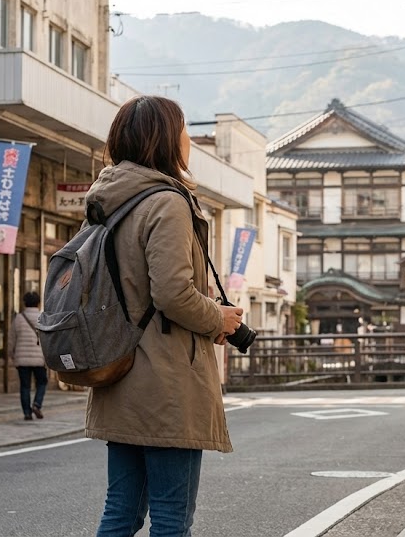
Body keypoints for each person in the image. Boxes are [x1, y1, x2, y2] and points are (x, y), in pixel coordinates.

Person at [84, 95, 244, 537]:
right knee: (172, 518)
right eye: (184, 129)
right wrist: (219, 319)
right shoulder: (166, 202)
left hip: (120, 372)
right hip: (167, 382)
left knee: (121, 512)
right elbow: (173, 293)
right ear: (165, 139)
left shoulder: (106, 199)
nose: (188, 139)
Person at [8, 291, 47, 421]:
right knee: (42, 382)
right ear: (38, 303)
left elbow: (11, 339)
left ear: (24, 303)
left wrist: (11, 354)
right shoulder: (43, 317)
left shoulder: (19, 318)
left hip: (22, 359)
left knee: (25, 386)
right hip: (39, 358)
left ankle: (27, 413)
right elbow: (47, 339)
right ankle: (37, 404)